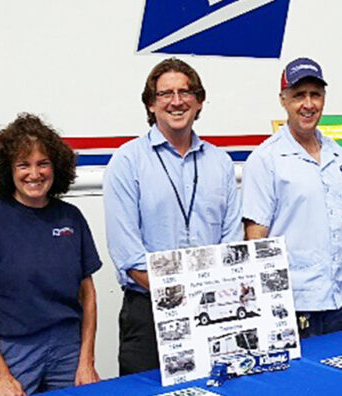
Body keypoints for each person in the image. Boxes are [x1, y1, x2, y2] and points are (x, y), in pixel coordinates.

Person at [103, 58, 242, 375]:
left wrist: (206, 295)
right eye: (166, 93)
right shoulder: (127, 162)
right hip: (149, 312)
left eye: (185, 92)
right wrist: (180, 297)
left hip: (213, 307)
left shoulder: (220, 162)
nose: (176, 101)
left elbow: (231, 240)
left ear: (199, 101)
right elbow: (129, 253)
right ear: (151, 104)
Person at [0, 114, 102, 395]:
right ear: (8, 170)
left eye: (43, 163)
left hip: (67, 348)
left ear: (56, 167)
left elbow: (88, 295)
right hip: (12, 350)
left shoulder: (71, 218)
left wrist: (86, 361)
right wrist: (0, 374)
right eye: (24, 165)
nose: (34, 174)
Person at [242, 57, 342, 338]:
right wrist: (271, 302)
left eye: (315, 94)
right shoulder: (266, 159)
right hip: (295, 303)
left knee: (339, 376)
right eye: (299, 95)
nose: (308, 104)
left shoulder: (335, 152)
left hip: (338, 298)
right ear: (283, 100)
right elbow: (256, 236)